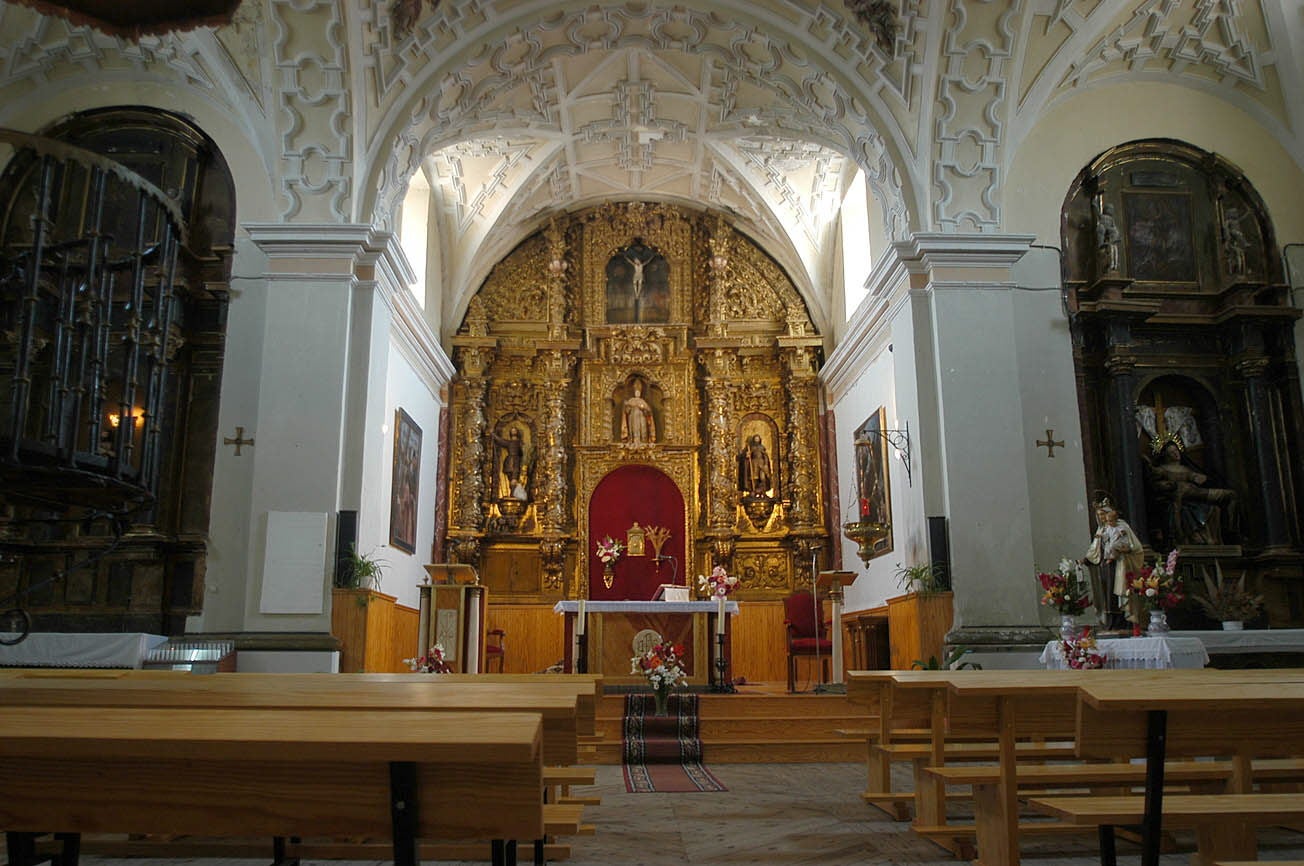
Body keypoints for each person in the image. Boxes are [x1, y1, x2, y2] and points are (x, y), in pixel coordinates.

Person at [1146, 436, 1237, 545]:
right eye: (1171, 452)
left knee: (1218, 506)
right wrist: (1170, 485)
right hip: (1179, 499)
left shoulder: (1186, 468)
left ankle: (1228, 532)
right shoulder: (1162, 469)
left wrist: (1198, 478)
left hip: (1194, 495)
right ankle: (1188, 538)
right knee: (1183, 511)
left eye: (1176, 450)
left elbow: (1196, 478)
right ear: (1165, 455)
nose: (1176, 453)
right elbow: (1155, 483)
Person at [1084, 496, 1144, 627]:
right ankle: (1109, 623)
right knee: (1106, 594)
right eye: (1098, 515)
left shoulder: (1121, 526)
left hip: (1119, 565)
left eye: (1102, 514)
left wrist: (1124, 549)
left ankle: (1122, 622)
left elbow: (1134, 546)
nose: (1101, 518)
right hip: (1104, 565)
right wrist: (1087, 559)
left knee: (1118, 593)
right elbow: (1095, 548)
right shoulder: (1102, 529)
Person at [492, 426, 529, 501]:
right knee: (510, 479)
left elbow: (524, 453)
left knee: (514, 480)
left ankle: (514, 494)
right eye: (512, 431)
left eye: (515, 431)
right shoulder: (509, 443)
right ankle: (512, 493)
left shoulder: (520, 443)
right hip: (509, 461)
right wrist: (493, 434)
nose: (513, 432)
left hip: (516, 461)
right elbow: (500, 441)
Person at [620, 379, 655, 444]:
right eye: (636, 387)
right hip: (633, 418)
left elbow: (649, 412)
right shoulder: (631, 400)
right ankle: (633, 440)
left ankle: (643, 441)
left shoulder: (643, 401)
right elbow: (626, 412)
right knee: (634, 429)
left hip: (642, 418)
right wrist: (628, 406)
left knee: (643, 430)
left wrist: (642, 407)